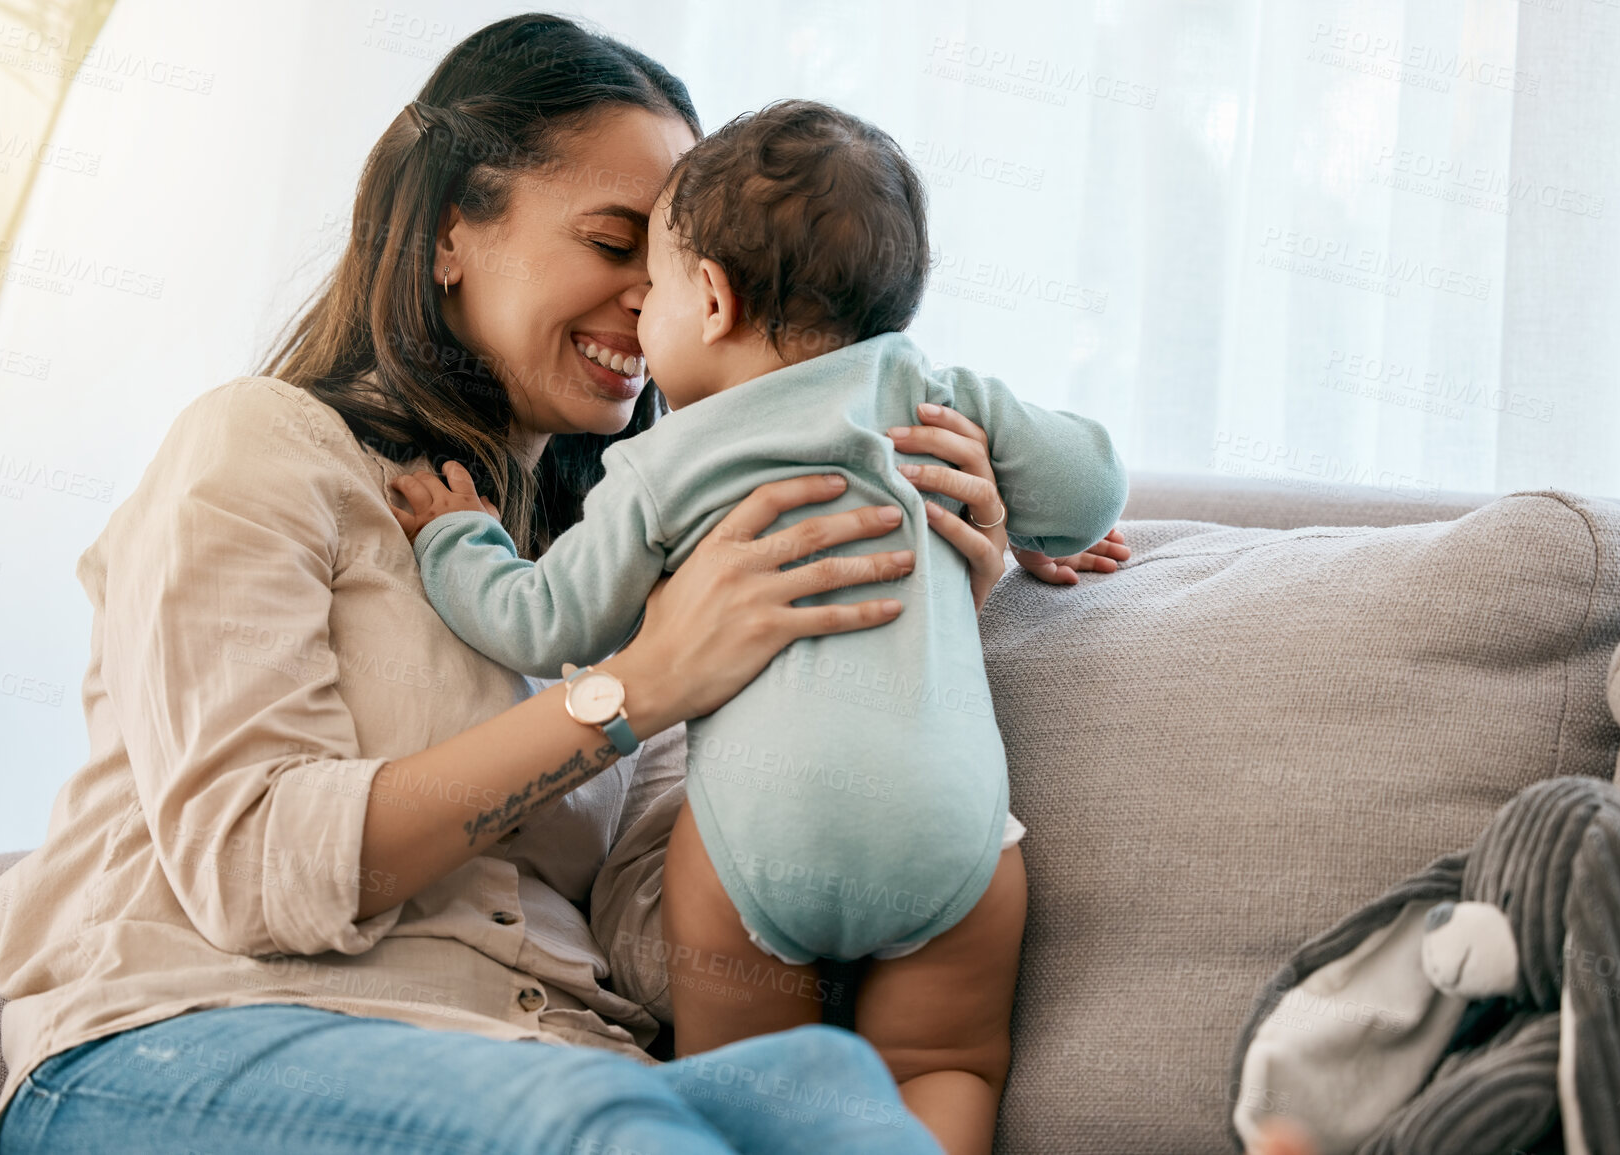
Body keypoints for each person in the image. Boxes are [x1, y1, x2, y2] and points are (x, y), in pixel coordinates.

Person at [0, 14, 1125, 1155]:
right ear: (447, 233)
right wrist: (633, 688)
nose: (654, 295)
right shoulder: (263, 447)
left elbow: (660, 947)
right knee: (602, 1122)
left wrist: (884, 625)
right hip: (202, 1037)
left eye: (675, 259)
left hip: (556, 1055)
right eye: (615, 240)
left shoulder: (647, 550)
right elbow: (253, 870)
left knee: (831, 1100)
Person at [387, 98, 1126, 1155]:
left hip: (755, 851)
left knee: (753, 1094)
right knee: (945, 1063)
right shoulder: (931, 394)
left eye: (654, 285)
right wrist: (1033, 507)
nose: (637, 312)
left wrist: (458, 541)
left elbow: (543, 619)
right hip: (951, 839)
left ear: (715, 301)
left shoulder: (661, 466)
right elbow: (1093, 482)